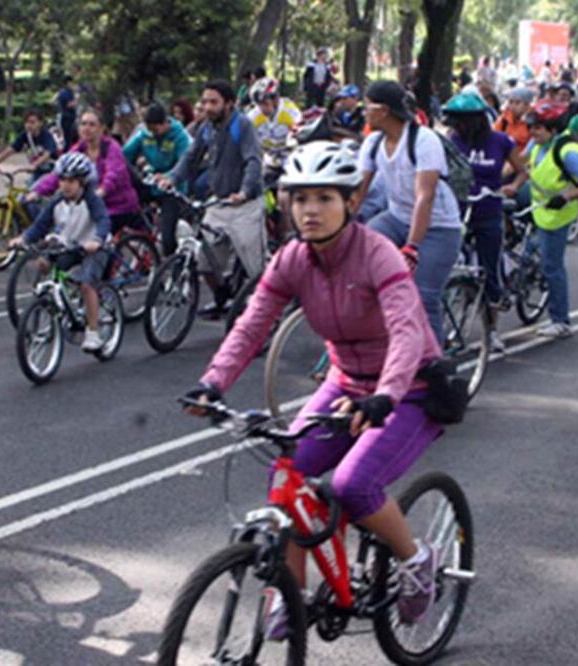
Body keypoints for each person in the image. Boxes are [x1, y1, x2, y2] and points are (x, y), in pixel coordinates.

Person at [185, 141, 446, 632]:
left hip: (408, 389)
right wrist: (212, 383)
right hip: (347, 383)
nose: (309, 211)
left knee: (352, 484)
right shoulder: (293, 259)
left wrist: (387, 394)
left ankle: (415, 560)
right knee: (288, 474)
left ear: (350, 202)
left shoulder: (377, 254)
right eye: (300, 199)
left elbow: (408, 331)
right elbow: (252, 323)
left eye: (324, 198)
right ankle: (292, 596)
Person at [356, 81, 463, 344]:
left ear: (383, 111)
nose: (363, 113)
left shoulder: (424, 140)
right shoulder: (372, 143)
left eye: (367, 107)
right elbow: (357, 191)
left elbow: (424, 197)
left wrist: (412, 246)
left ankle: (436, 372)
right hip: (395, 218)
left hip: (438, 227)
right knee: (360, 262)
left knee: (424, 297)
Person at [157, 79, 265, 317]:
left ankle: (267, 314)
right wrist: (172, 178)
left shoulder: (242, 125)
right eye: (204, 101)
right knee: (205, 261)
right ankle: (222, 298)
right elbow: (191, 156)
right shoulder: (207, 127)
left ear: (229, 103)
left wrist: (245, 191)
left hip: (245, 203)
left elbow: (253, 161)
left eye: (213, 102)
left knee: (254, 265)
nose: (207, 107)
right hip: (218, 202)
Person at [443, 92, 527, 351]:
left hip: (489, 210)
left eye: (461, 121)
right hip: (458, 211)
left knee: (490, 271)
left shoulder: (501, 142)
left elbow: (522, 170)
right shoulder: (452, 141)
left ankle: (491, 330)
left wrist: (512, 186)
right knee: (449, 262)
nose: (457, 127)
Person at [11, 153, 111, 352]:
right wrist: (23, 239)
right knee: (44, 263)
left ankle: (93, 332)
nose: (66, 185)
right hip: (70, 246)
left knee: (86, 284)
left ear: (82, 182)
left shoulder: (91, 200)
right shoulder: (57, 201)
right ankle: (56, 302)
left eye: (72, 181)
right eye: (63, 180)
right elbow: (40, 226)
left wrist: (97, 239)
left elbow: (103, 221)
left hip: (93, 248)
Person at [522, 100, 578, 338]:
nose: (532, 132)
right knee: (528, 253)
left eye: (538, 128)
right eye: (532, 127)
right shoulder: (538, 145)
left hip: (558, 215)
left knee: (552, 266)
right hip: (539, 209)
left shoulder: (568, 152)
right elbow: (519, 164)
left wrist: (567, 197)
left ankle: (561, 321)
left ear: (553, 129)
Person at [29, 108, 141, 235]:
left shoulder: (111, 147)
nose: (87, 128)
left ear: (102, 128)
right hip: (89, 205)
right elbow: (60, 172)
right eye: (83, 124)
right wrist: (37, 191)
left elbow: (114, 174)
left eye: (92, 124)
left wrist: (102, 191)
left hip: (116, 206)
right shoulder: (79, 148)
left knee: (93, 239)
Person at [122, 103, 191, 255]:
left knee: (168, 237)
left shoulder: (180, 136)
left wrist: (168, 176)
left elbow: (185, 164)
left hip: (172, 190)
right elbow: (124, 155)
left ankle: (172, 265)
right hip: (150, 184)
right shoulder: (144, 135)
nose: (152, 133)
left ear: (165, 122)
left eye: (155, 129)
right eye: (149, 129)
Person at [0, 109, 59, 183]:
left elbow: (47, 153)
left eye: (32, 122)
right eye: (26, 122)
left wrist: (34, 165)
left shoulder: (45, 135)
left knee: (35, 190)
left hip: (51, 171)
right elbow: (11, 149)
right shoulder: (25, 135)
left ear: (40, 123)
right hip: (37, 171)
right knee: (27, 190)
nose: (29, 125)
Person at [247, 77, 302, 159]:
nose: (262, 109)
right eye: (258, 104)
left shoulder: (289, 109)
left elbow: (298, 129)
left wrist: (294, 134)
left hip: (289, 155)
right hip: (266, 156)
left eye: (265, 103)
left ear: (275, 99)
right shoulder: (253, 115)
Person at [494, 86, 535, 153]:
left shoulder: (534, 122)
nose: (512, 106)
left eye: (517, 102)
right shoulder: (503, 119)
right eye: (510, 102)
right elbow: (494, 138)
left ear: (527, 105)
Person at [56, 75, 79, 149]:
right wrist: (77, 99)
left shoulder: (69, 92)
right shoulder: (64, 93)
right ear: (68, 83)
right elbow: (69, 105)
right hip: (67, 118)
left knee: (71, 138)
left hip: (71, 117)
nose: (73, 85)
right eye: (72, 83)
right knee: (68, 139)